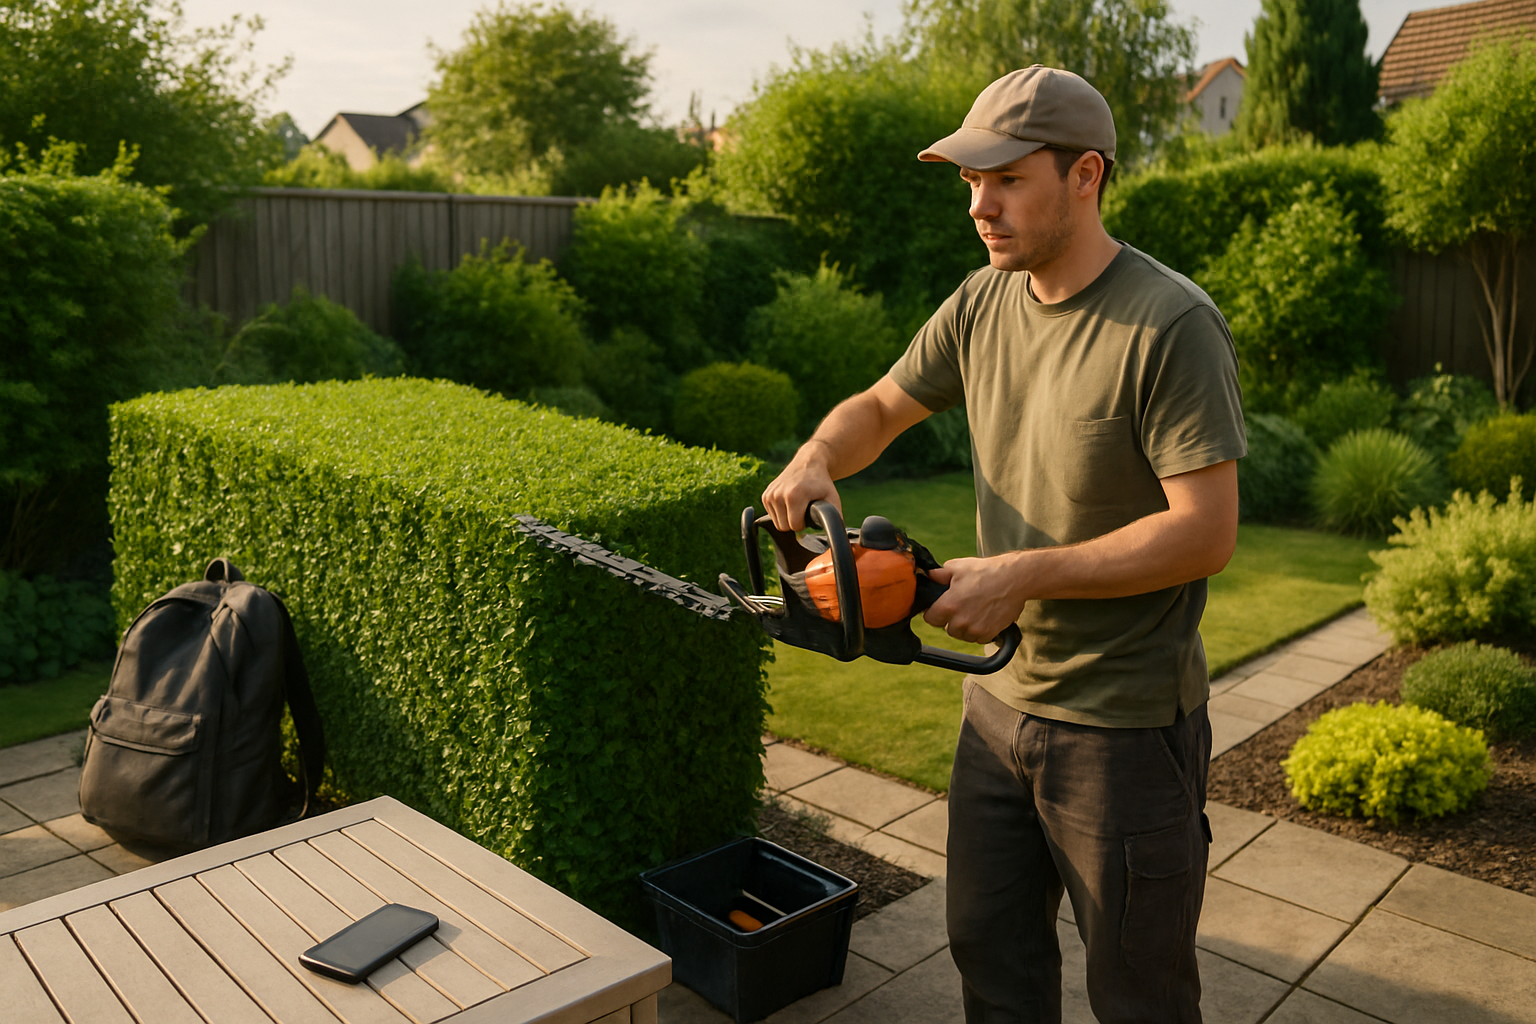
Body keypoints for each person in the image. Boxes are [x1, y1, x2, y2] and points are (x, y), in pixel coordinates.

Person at [762, 65, 1246, 1023]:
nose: (980, 207)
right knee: (991, 960)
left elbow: (1205, 532)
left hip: (1122, 726)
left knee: (1140, 995)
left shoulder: (1170, 324)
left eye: (1008, 180)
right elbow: (882, 406)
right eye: (971, 182)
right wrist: (818, 455)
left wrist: (1022, 573)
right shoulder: (984, 300)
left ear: (1086, 175)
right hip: (994, 707)